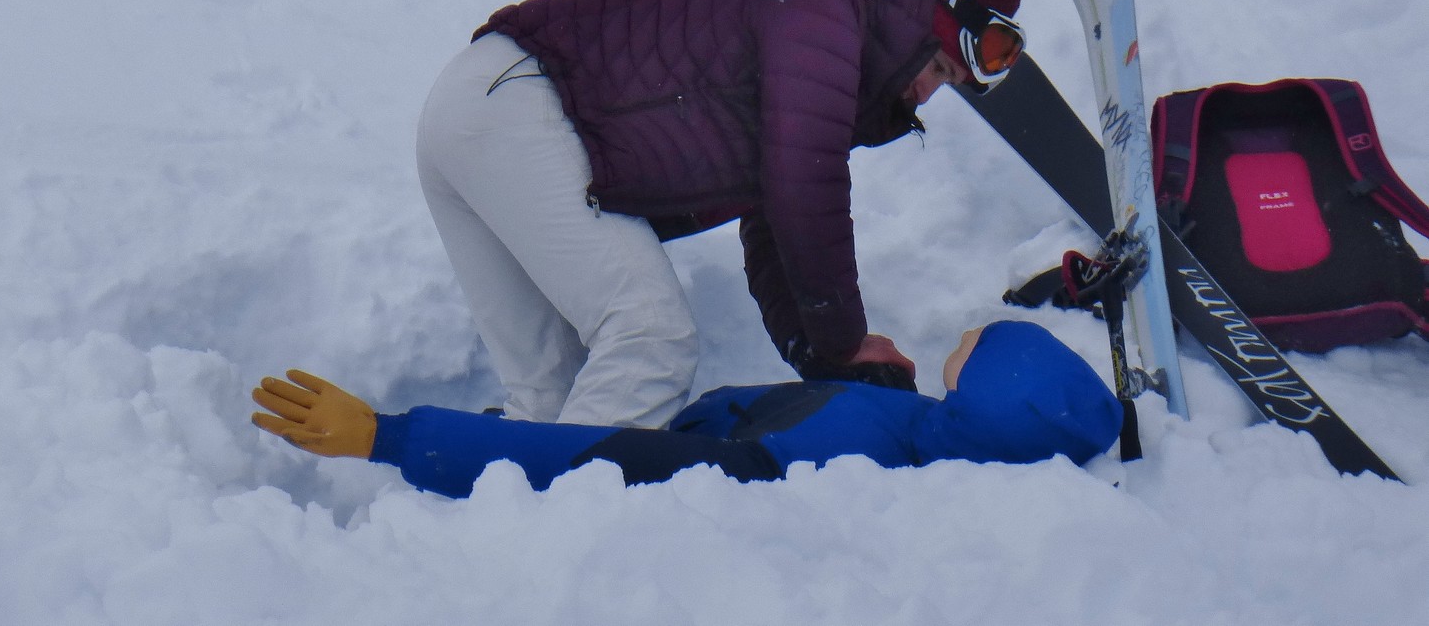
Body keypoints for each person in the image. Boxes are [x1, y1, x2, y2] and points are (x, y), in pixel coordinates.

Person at [417, 0, 1027, 429]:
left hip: (476, 110)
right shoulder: (824, 1)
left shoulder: (828, 21)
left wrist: (817, 350)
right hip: (519, 106)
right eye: (938, 68)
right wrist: (844, 343)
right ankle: (568, 520)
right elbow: (802, 189)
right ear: (928, 12)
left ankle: (510, 511)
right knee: (650, 337)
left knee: (549, 399)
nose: (927, 94)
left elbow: (776, 219)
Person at [251, 321, 1121, 501]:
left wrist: (393, 436)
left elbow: (608, 460)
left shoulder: (821, 459)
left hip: (669, 454)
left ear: (981, 399)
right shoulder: (930, 434)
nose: (956, 339)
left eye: (972, 350)